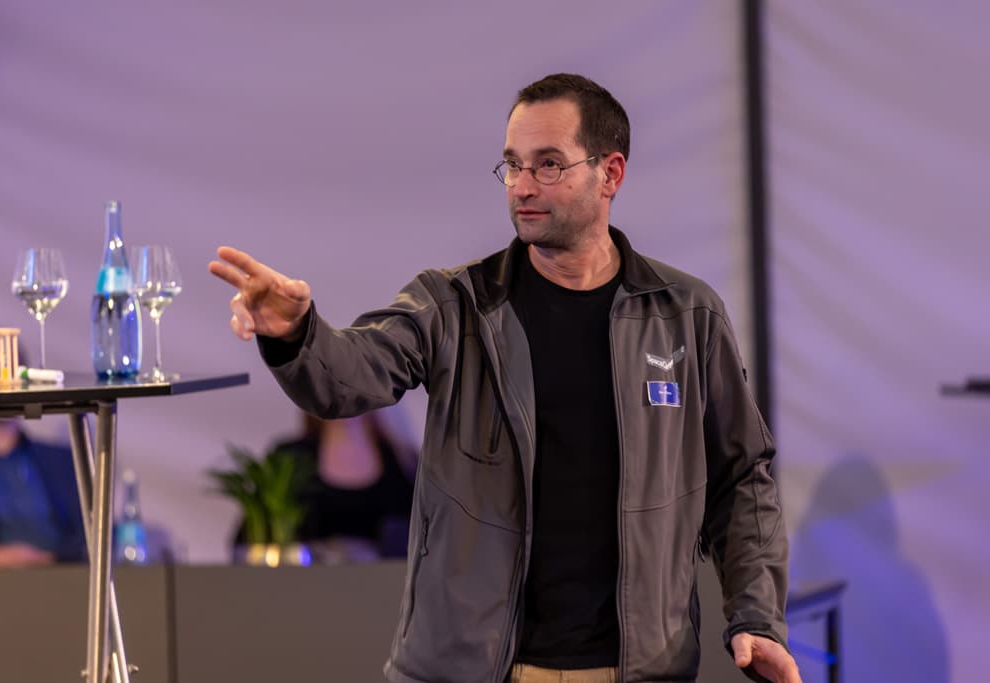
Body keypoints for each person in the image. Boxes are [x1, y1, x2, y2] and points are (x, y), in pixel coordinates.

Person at [209, 73, 800, 683]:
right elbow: (346, 377)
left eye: (548, 164)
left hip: (639, 670)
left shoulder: (686, 315)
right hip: (475, 669)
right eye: (512, 164)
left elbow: (742, 478)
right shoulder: (453, 304)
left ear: (611, 174)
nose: (522, 185)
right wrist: (296, 332)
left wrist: (756, 617)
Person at [0, 334, 86, 567]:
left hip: (62, 580)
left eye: (7, 370)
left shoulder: (62, 461)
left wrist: (49, 560)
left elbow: (91, 536)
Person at [237, 412, 415, 562]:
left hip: (384, 586)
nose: (346, 395)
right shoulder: (290, 457)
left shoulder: (402, 460)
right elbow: (248, 538)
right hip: (301, 585)